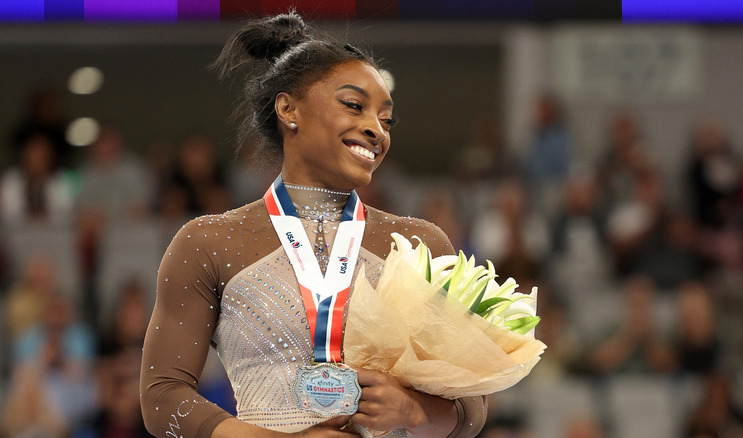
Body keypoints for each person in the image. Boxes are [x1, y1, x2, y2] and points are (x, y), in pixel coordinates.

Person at [140, 12, 486, 438]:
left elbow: (472, 408)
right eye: (354, 106)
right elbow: (163, 397)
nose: (376, 130)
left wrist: (412, 410)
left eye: (386, 119)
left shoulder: (420, 244)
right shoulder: (210, 242)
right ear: (289, 109)